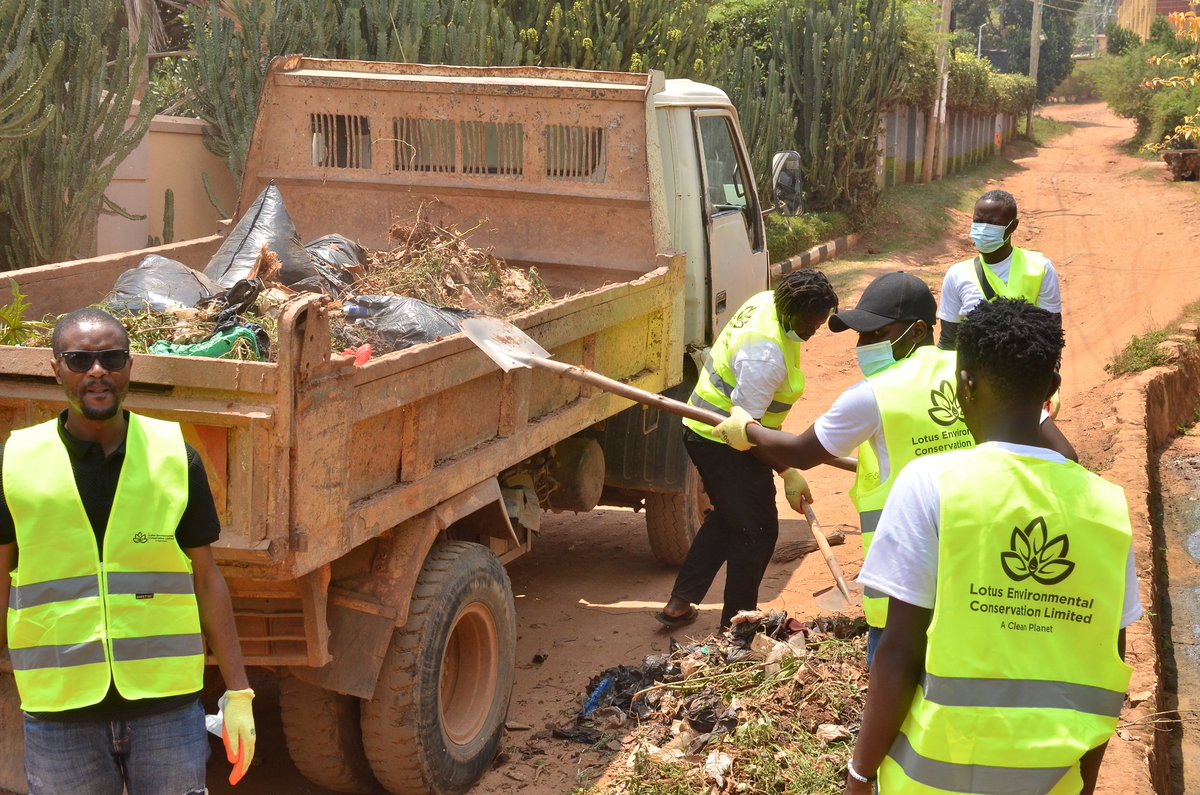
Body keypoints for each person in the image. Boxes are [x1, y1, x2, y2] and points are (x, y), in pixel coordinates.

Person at [843, 299, 1141, 795]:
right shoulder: (1107, 507)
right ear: (1051, 390)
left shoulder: (931, 484)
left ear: (964, 384)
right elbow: (1107, 668)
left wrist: (858, 775)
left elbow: (898, 652)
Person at [711, 273, 1076, 663]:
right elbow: (1065, 456)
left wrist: (749, 430)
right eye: (860, 336)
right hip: (986, 580)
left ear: (917, 330)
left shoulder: (874, 394)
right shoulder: (978, 370)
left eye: (876, 334)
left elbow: (802, 451)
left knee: (902, 691)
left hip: (904, 585)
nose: (863, 346)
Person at [0, 308, 256, 794]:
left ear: (129, 366)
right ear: (56, 368)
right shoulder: (15, 462)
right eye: (79, 359)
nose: (97, 370)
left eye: (111, 357)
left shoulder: (174, 456)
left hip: (166, 710)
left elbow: (206, 579)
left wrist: (238, 691)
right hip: (59, 715)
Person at [656, 270, 839, 630]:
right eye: (811, 322)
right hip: (724, 440)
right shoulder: (765, 356)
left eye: (820, 321)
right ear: (792, 311)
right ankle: (738, 626)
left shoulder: (768, 301)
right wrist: (788, 472)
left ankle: (680, 602)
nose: (815, 329)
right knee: (756, 530)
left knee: (729, 515)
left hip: (709, 427)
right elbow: (749, 435)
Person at [937, 189, 1063, 351]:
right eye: (978, 221)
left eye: (993, 223)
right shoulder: (957, 274)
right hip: (973, 374)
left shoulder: (1040, 268)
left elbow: (1051, 335)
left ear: (1013, 226)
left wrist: (1050, 373)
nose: (983, 229)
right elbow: (948, 341)